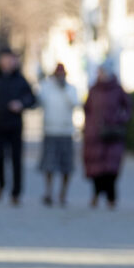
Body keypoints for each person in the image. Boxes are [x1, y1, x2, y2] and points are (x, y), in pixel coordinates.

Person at [0, 48, 36, 205]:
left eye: (11, 59)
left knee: (16, 160)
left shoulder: (20, 80)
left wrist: (21, 104)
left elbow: (32, 99)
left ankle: (16, 192)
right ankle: (1, 184)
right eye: (6, 58)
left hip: (15, 126)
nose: (9, 62)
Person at [82, 59, 133, 209]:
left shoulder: (117, 89)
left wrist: (120, 119)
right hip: (94, 133)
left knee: (111, 168)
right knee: (95, 167)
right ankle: (96, 194)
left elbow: (128, 107)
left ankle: (111, 197)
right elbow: (87, 109)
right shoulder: (93, 89)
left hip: (113, 133)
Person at [38, 63, 79, 206]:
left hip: (66, 131)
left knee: (66, 165)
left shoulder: (71, 89)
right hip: (50, 130)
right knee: (48, 164)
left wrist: (64, 90)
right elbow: (39, 101)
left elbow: (75, 103)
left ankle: (63, 193)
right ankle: (48, 192)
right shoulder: (46, 88)